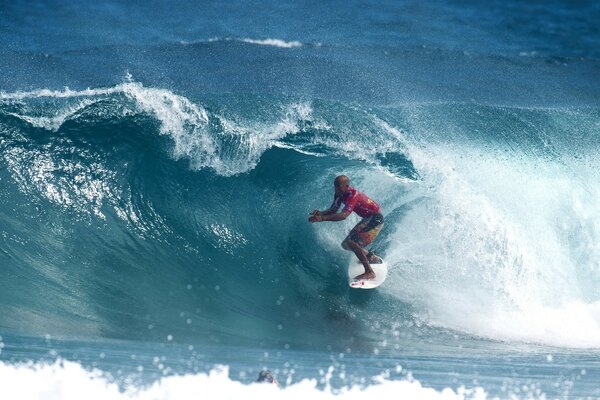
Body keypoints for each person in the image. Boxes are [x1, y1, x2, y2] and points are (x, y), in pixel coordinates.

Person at [309, 175, 384, 280]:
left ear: (347, 186)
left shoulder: (353, 195)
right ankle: (370, 256)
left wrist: (322, 218)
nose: (336, 189)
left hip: (376, 219)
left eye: (339, 186)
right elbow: (333, 210)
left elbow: (344, 215)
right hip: (367, 218)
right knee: (346, 244)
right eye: (335, 186)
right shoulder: (339, 194)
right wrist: (320, 213)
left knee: (352, 242)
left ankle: (369, 271)